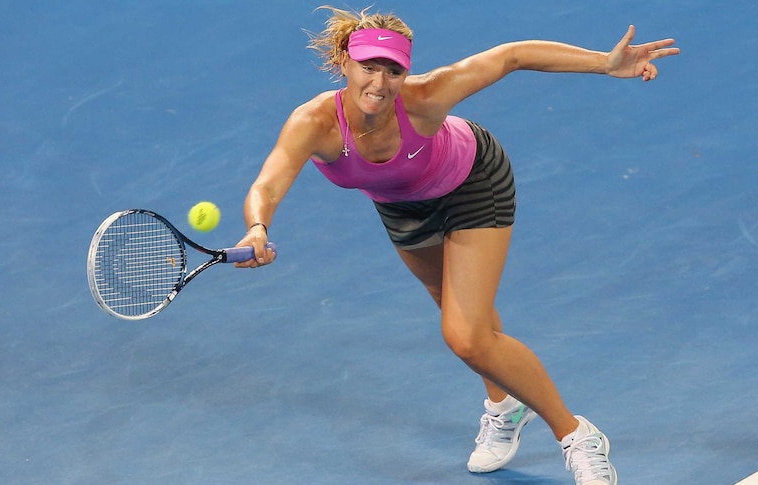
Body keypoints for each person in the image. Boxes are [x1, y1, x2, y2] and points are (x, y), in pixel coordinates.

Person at [234, 5, 679, 484]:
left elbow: (510, 56)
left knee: (465, 335)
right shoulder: (313, 122)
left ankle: (577, 435)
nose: (380, 84)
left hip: (472, 182)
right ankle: (505, 408)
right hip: (402, 206)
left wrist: (604, 63)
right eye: (368, 67)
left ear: (407, 72)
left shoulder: (425, 97)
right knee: (464, 314)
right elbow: (269, 183)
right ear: (345, 61)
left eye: (393, 70)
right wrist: (258, 226)